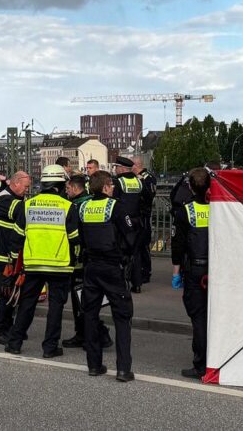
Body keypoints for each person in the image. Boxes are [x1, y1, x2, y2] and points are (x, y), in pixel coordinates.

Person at [5, 164, 79, 358]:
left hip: (33, 264)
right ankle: (49, 347)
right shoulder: (68, 207)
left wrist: (13, 263)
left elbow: (17, 237)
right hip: (60, 265)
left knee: (27, 304)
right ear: (60, 185)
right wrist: (76, 261)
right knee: (55, 307)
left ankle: (14, 343)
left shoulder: (27, 205)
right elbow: (75, 239)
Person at [77, 170, 136, 382]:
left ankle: (94, 365)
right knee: (122, 316)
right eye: (110, 185)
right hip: (112, 267)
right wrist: (126, 257)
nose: (112, 188)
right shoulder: (115, 206)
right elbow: (131, 237)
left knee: (90, 315)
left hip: (91, 267)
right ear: (105, 187)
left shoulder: (83, 207)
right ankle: (123, 369)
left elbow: (79, 237)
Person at [62, 174, 112, 350]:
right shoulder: (90, 202)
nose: (66, 192)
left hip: (80, 259)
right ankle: (88, 333)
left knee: (82, 300)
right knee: (86, 300)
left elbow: (76, 235)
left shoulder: (76, 206)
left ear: (76, 188)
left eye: (68, 188)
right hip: (92, 258)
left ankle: (91, 334)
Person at [171, 167, 211, 379]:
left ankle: (200, 364)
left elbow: (178, 245)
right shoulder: (219, 208)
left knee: (198, 317)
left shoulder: (185, 211)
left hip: (195, 269)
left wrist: (176, 272)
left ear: (190, 187)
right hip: (216, 269)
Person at [0, 171, 31, 342]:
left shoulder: (16, 198)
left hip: (11, 255)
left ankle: (11, 328)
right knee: (5, 294)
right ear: (16, 183)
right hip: (1, 255)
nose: (27, 190)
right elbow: (21, 213)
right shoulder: (5, 199)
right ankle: (1, 332)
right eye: (26, 186)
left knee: (13, 294)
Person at [112, 156, 150, 293]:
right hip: (137, 222)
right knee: (136, 252)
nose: (115, 170)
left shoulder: (118, 182)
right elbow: (146, 198)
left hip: (122, 223)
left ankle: (122, 282)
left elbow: (113, 202)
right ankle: (137, 283)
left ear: (122, 168)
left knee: (121, 252)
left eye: (116, 167)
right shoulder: (139, 181)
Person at [133, 157, 157, 284]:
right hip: (137, 214)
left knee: (144, 244)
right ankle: (138, 271)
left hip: (144, 214)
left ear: (136, 165)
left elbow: (150, 194)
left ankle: (146, 271)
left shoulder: (148, 177)